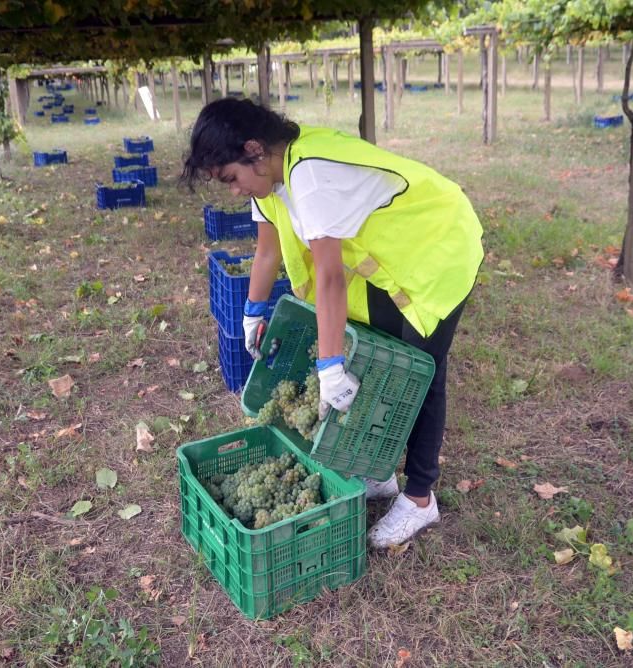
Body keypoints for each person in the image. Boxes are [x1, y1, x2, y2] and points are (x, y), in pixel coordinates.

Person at [181, 98, 483, 548]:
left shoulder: (310, 175)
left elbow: (328, 277)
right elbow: (266, 251)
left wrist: (329, 366)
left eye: (230, 178)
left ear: (253, 149)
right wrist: (252, 311)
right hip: (391, 263)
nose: (232, 190)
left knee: (421, 371)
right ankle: (379, 470)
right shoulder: (270, 181)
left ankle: (420, 497)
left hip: (435, 250)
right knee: (383, 362)